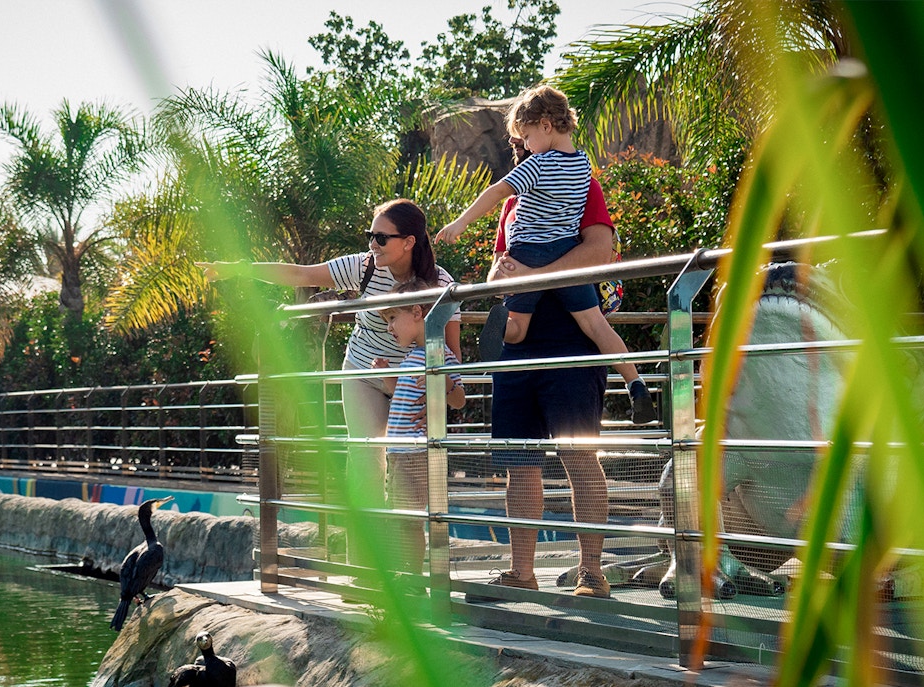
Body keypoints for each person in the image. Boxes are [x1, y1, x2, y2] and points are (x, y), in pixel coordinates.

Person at [196, 198, 462, 570]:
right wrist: (238, 270)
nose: (373, 244)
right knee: (366, 460)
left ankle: (411, 571)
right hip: (364, 372)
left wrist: (442, 390)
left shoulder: (440, 284)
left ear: (409, 242)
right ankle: (364, 568)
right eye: (370, 235)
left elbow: (451, 355)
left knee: (411, 477)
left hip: (413, 381)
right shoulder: (364, 267)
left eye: (381, 238)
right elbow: (303, 275)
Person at [435, 84, 655, 424]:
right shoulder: (583, 166)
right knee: (596, 325)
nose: (524, 145)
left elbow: (498, 191)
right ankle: (636, 383)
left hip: (528, 253)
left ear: (546, 125)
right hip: (565, 250)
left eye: (525, 136)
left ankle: (502, 328)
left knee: (518, 328)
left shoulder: (537, 166)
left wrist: (461, 222)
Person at [466, 140, 620, 601]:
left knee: (579, 457)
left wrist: (535, 271)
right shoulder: (511, 206)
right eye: (518, 140)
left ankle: (591, 573)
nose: (523, 147)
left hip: (573, 347)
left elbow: (598, 252)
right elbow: (500, 273)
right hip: (517, 350)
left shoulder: (583, 185)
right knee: (519, 463)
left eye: (528, 136)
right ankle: (521, 572)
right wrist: (503, 278)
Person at [372, 278, 467, 576]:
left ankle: (410, 575)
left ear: (416, 312)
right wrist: (387, 376)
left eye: (392, 318)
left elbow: (460, 400)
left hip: (414, 452)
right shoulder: (411, 357)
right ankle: (406, 571)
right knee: (400, 516)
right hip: (399, 451)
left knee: (408, 518)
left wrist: (443, 380)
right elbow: (400, 393)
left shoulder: (440, 356)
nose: (389, 327)